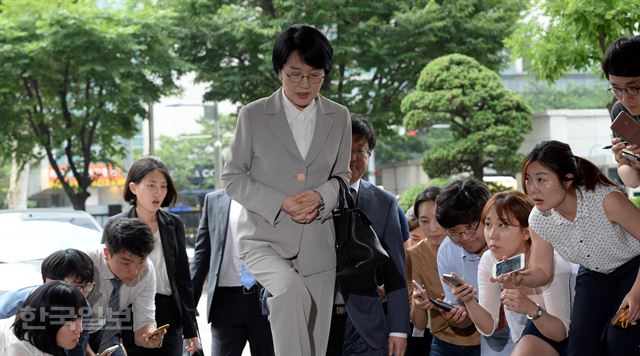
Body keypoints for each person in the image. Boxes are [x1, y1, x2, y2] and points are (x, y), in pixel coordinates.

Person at [222, 24, 351, 356]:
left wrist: (323, 196)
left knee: (314, 344)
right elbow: (233, 177)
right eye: (295, 74)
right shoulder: (252, 115)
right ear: (279, 70)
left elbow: (342, 177)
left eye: (314, 75)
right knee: (290, 292)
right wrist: (281, 203)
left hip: (318, 245)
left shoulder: (339, 117)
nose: (304, 84)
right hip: (262, 238)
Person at [517, 140, 640, 355]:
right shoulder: (538, 219)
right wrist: (520, 278)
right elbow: (542, 273)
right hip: (595, 274)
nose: (532, 188)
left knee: (620, 339)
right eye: (528, 179)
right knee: (580, 346)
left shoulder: (605, 200)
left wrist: (636, 294)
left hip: (634, 268)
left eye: (541, 179)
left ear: (567, 180)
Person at [448, 191, 574, 356]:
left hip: (574, 332)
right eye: (487, 224)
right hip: (532, 333)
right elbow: (488, 327)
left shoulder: (552, 262)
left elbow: (560, 333)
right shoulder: (489, 260)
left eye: (503, 225)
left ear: (526, 232)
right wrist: (469, 301)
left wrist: (530, 308)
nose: (492, 235)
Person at [326, 113, 409, 356]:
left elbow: (396, 272)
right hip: (315, 320)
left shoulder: (384, 203)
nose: (352, 158)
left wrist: (398, 330)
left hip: (365, 325)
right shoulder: (310, 198)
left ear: (369, 154)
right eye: (345, 149)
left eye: (360, 150)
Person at [105, 157, 198, 355]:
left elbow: (183, 277)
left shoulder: (174, 224)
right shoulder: (115, 224)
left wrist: (191, 329)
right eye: (151, 185)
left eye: (163, 186)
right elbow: (106, 277)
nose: (158, 193)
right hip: (127, 314)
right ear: (134, 187)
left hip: (168, 315)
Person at [434, 178, 514, 356]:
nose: (464, 237)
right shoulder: (447, 251)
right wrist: (458, 317)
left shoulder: (512, 239)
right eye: (453, 231)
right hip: (493, 336)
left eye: (470, 227)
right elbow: (467, 320)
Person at [190, 189, 275, 356]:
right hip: (225, 302)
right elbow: (202, 252)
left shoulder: (270, 194)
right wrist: (190, 299)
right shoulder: (213, 200)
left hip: (264, 298)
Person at [88, 217, 165, 355]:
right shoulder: (85, 263)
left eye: (141, 262)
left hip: (104, 330)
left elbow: (144, 320)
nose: (135, 271)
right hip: (68, 330)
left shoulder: (147, 271)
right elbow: (63, 321)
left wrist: (149, 336)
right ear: (107, 254)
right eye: (126, 263)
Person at [0, 249, 94, 356]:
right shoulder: (18, 345)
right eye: (76, 287)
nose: (79, 329)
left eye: (87, 286)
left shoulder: (80, 305)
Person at [0, 281, 85, 356]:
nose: (80, 329)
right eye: (70, 321)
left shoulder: (44, 335)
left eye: (80, 318)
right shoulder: (18, 347)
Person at [602, 35, 640, 188]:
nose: (624, 98)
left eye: (632, 88)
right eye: (616, 89)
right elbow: (633, 182)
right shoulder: (620, 110)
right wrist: (624, 161)